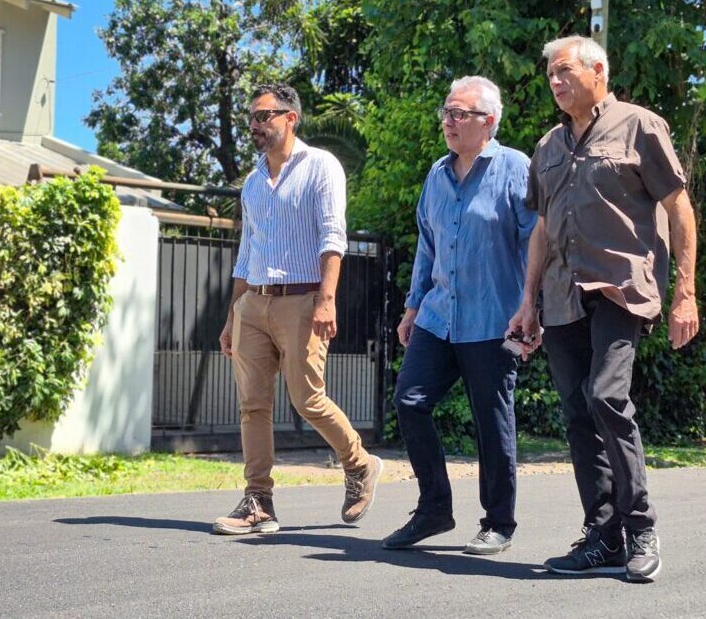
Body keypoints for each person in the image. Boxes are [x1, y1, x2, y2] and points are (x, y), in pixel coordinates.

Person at [508, 35, 699, 582]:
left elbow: (678, 208)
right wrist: (528, 303)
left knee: (606, 395)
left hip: (621, 287)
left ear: (598, 71)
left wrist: (685, 290)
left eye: (564, 70)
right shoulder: (547, 146)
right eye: (550, 74)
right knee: (576, 413)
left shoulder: (641, 126)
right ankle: (603, 536)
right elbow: (541, 228)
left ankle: (640, 527)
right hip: (562, 295)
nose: (555, 80)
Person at [213, 83, 383, 535]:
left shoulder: (321, 166)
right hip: (254, 302)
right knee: (252, 405)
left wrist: (327, 300)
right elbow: (246, 253)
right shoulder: (251, 182)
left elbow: (333, 237)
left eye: (264, 115)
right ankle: (258, 502)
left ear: (291, 118)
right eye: (252, 116)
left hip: (303, 299)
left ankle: (359, 463)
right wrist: (233, 314)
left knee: (307, 398)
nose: (255, 124)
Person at [381, 76, 536, 553]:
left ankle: (499, 523)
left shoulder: (515, 168)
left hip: (494, 319)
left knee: (491, 421)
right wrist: (412, 306)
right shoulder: (437, 174)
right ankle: (433, 510)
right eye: (446, 113)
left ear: (488, 121)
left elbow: (536, 243)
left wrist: (533, 309)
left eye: (459, 114)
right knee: (410, 401)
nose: (448, 121)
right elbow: (428, 245)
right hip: (437, 316)